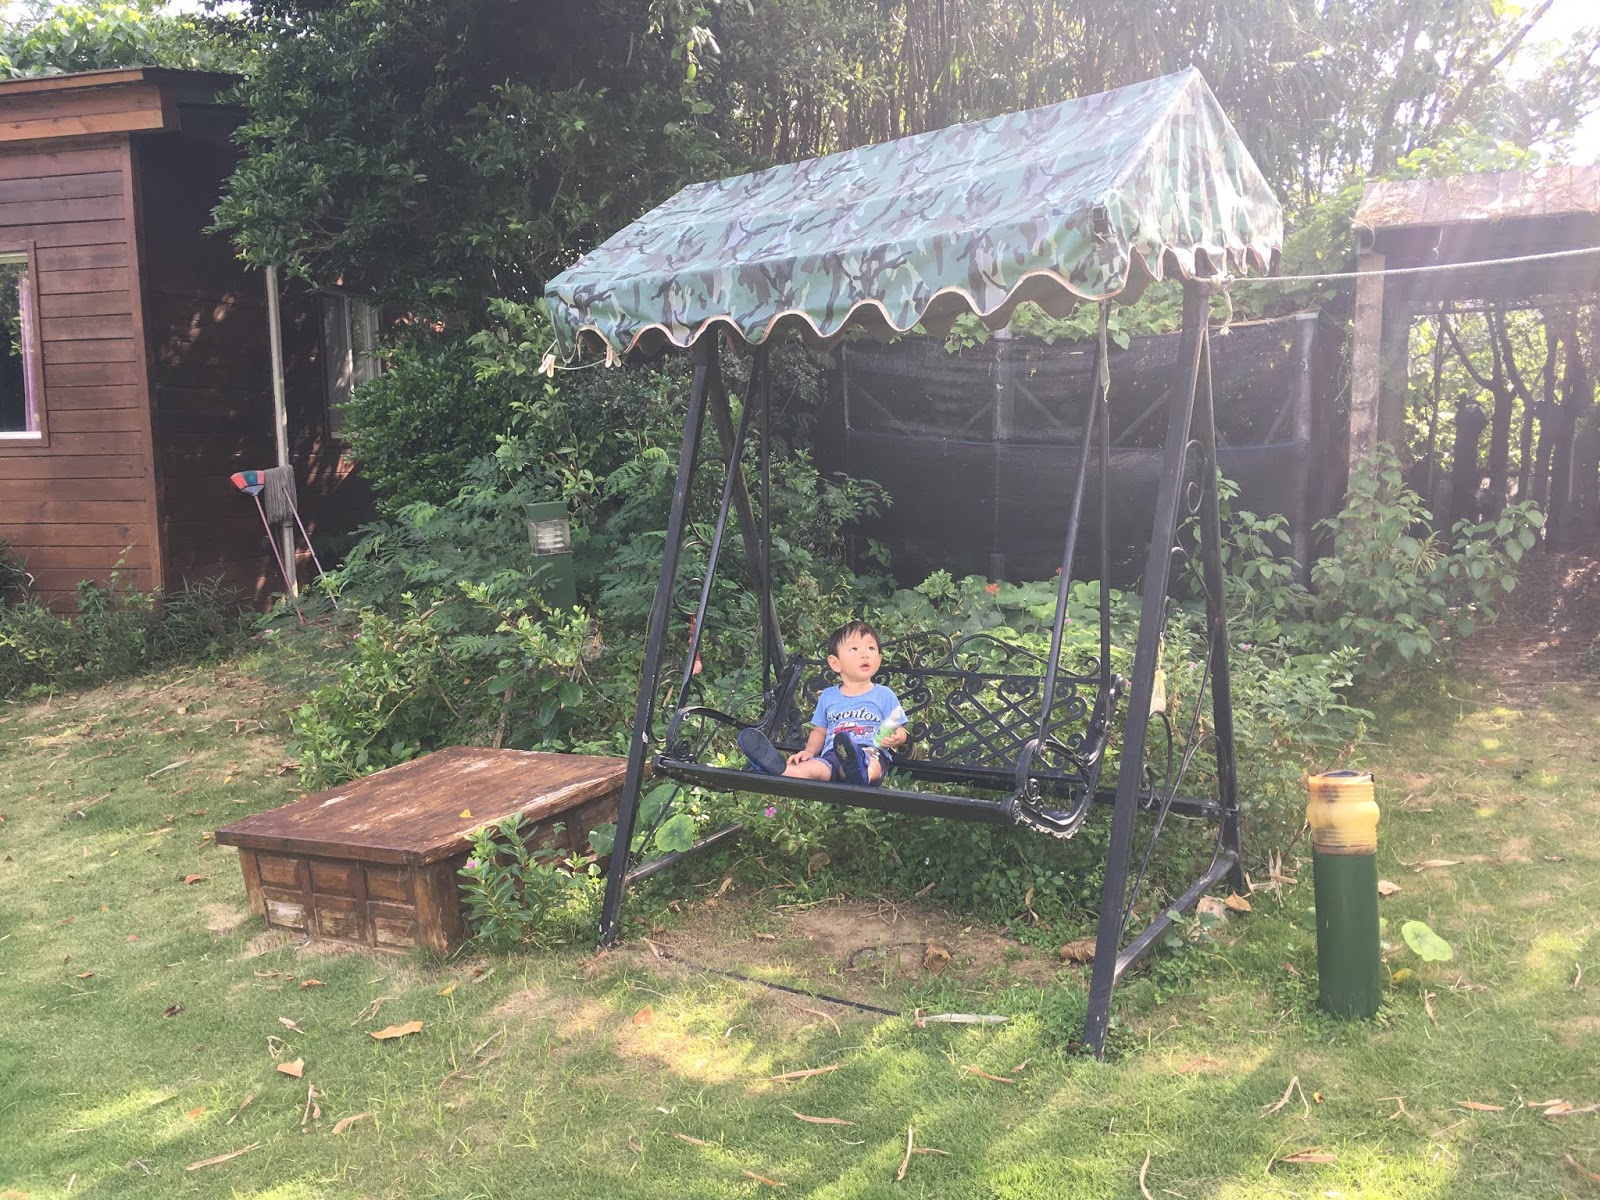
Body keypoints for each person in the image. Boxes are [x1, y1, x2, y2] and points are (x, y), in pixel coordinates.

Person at [738, 620, 907, 786]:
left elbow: (898, 727)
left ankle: (861, 773)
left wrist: (898, 737)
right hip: (833, 754)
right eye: (855, 649)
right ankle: (782, 770)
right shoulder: (829, 696)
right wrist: (809, 751)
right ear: (835, 663)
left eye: (871, 648)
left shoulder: (884, 694)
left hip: (870, 751)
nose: (865, 654)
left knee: (873, 764)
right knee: (815, 768)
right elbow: (819, 731)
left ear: (879, 659)